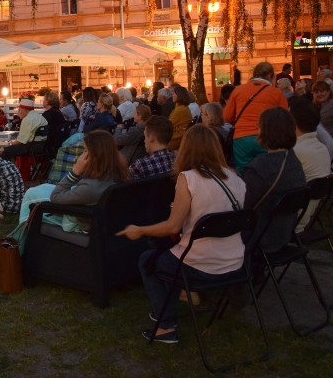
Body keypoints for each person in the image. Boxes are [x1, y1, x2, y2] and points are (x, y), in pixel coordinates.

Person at [116, 125, 247, 344]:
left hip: (200, 266)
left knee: (148, 259)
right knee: (167, 255)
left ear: (186, 148)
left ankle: (165, 326)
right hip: (236, 264)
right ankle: (180, 296)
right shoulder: (236, 178)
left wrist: (139, 229)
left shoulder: (188, 178)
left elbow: (172, 228)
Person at [12, 130, 129, 244]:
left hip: (79, 221)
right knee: (42, 188)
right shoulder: (116, 173)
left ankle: (22, 242)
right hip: (94, 215)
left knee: (31, 195)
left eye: (85, 151)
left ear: (94, 156)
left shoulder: (91, 188)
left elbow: (55, 197)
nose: (82, 155)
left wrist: (75, 172)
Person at [242, 107, 306, 252]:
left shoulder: (261, 167)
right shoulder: (293, 160)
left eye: (259, 126)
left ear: (267, 131)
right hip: (283, 233)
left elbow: (243, 205)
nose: (255, 129)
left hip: (257, 237)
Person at [223, 62, 287, 175]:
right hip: (266, 137)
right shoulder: (277, 93)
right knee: (266, 172)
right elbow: (285, 118)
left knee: (244, 173)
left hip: (241, 138)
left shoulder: (238, 90)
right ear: (269, 76)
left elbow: (227, 116)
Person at [288, 97, 333, 232]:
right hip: (305, 217)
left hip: (288, 221)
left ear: (293, 123)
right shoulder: (321, 148)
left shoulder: (295, 152)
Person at [167, 86, 193, 151]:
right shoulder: (183, 107)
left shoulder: (180, 110)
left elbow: (168, 126)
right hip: (179, 138)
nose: (172, 95)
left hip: (175, 140)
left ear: (179, 95)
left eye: (173, 93)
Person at [42, 92, 67, 157]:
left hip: (49, 144)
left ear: (48, 101)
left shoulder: (47, 114)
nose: (43, 101)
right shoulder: (58, 112)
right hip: (58, 143)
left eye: (44, 99)